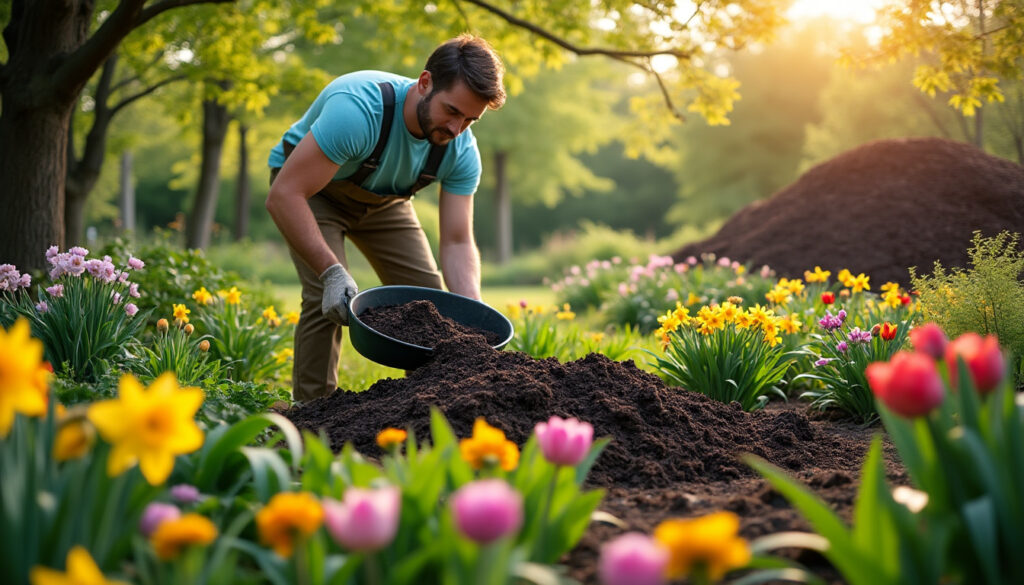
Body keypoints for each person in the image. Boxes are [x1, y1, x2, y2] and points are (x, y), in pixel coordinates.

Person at [266, 35, 506, 402]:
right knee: (325, 298)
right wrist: (332, 272)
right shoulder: (359, 111)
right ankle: (310, 417)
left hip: (384, 203)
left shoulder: (460, 150)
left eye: (471, 120)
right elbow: (284, 196)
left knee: (433, 306)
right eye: (453, 111)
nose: (457, 129)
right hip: (310, 191)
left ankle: (430, 407)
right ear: (425, 83)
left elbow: (458, 241)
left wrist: (472, 312)